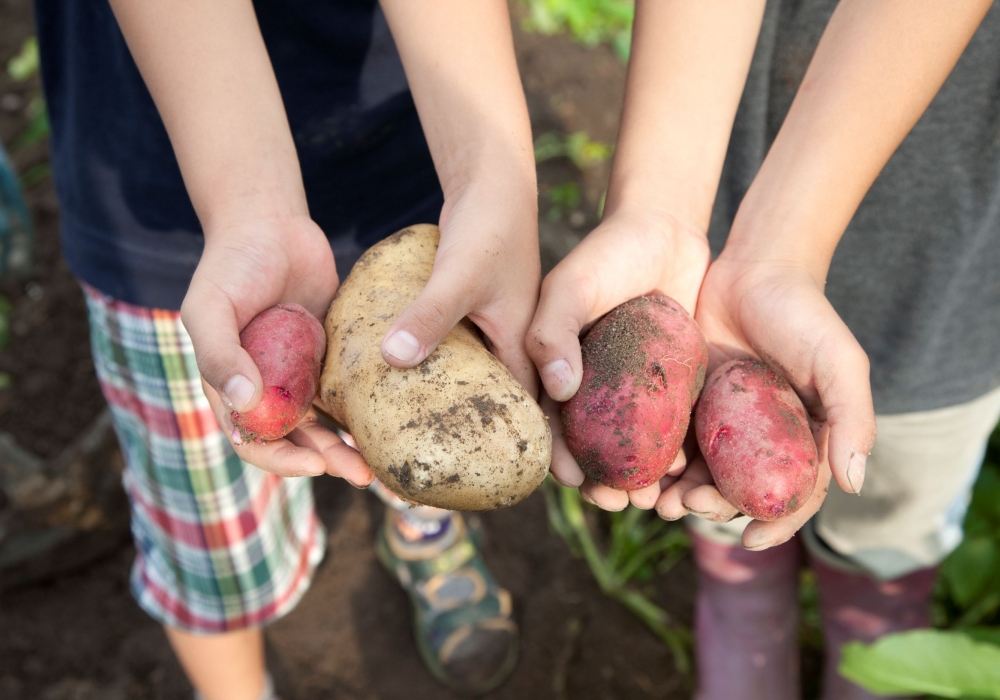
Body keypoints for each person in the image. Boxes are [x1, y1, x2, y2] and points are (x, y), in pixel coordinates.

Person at [33, 1, 539, 697]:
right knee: (211, 531)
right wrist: (247, 205)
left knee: (429, 407)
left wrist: (491, 176)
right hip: (170, 193)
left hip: (410, 136)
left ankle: (426, 533)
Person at [527, 0, 1000, 698]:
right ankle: (741, 604)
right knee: (718, 511)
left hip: (948, 264)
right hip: (713, 173)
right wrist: (658, 210)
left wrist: (786, 248)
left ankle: (882, 627)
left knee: (899, 513)